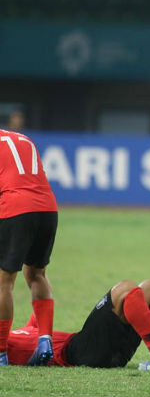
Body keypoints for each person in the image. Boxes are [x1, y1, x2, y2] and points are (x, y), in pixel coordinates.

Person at [7, 279, 150, 370]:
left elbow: (40, 307)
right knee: (124, 289)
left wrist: (37, 274)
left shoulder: (21, 330)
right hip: (78, 354)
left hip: (101, 350)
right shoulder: (4, 345)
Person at [0, 129, 58, 366]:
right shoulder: (22, 138)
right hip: (48, 207)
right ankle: (45, 339)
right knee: (36, 273)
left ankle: (1, 352)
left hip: (16, 207)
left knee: (4, 280)